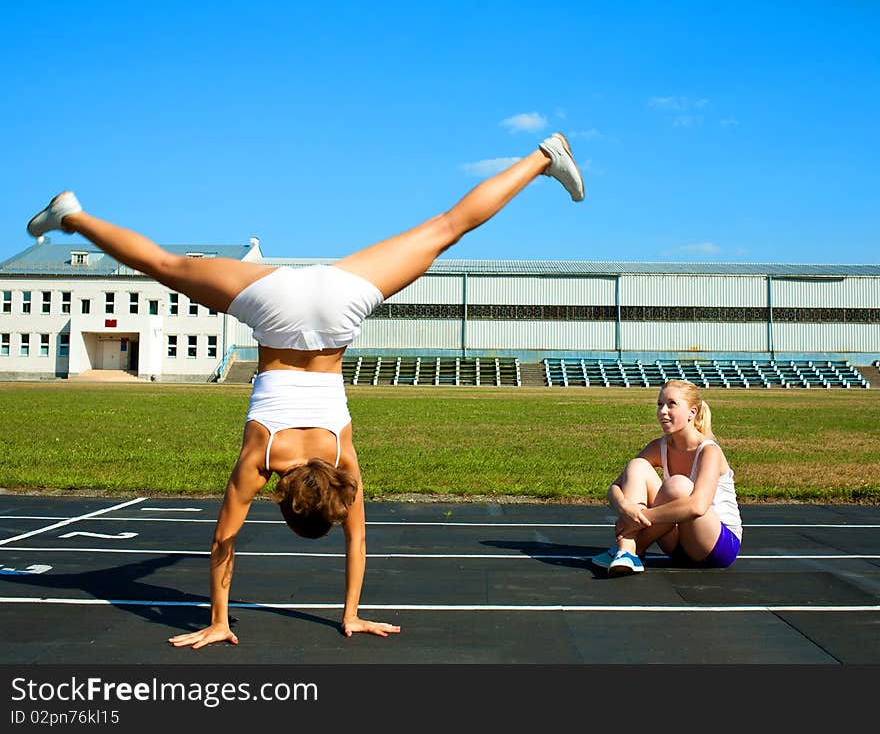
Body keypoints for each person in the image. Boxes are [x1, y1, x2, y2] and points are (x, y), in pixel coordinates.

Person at [27, 132, 585, 647]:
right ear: (281, 497)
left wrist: (352, 613)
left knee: (446, 228)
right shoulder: (261, 458)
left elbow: (358, 542)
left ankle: (542, 157)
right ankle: (72, 216)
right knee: (165, 265)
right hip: (275, 309)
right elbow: (224, 541)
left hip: (337, 303)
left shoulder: (343, 461)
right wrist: (216, 620)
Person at [591, 379, 742, 576]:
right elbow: (615, 487)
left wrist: (640, 518)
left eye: (672, 404)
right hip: (677, 545)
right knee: (637, 466)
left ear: (692, 412)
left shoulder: (709, 451)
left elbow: (698, 506)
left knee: (677, 485)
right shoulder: (659, 446)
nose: (663, 411)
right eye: (660, 404)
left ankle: (635, 545)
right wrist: (626, 509)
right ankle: (626, 551)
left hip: (716, 547)